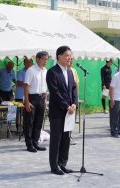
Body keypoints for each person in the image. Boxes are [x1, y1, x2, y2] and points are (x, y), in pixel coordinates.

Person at [46, 46, 78, 175]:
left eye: (70, 55)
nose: (69, 57)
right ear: (59, 56)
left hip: (69, 111)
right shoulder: (52, 72)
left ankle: (63, 163)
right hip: (58, 111)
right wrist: (66, 106)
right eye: (67, 55)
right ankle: (54, 166)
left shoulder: (70, 72)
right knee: (56, 139)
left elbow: (74, 89)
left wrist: (74, 103)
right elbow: (55, 92)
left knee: (66, 138)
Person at [24, 51, 48, 153]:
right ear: (37, 59)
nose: (45, 61)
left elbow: (45, 87)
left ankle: (35, 142)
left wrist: (46, 100)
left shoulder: (45, 70)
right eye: (43, 59)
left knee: (39, 121)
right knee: (30, 121)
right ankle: (29, 144)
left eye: (46, 59)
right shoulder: (31, 70)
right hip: (32, 97)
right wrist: (27, 101)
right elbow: (26, 86)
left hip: (42, 97)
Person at [67, 56, 79, 145]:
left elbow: (76, 85)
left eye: (72, 60)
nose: (71, 61)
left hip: (73, 99)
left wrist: (76, 99)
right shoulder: (60, 71)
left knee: (72, 119)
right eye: (70, 60)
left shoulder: (74, 70)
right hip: (65, 100)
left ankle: (69, 137)